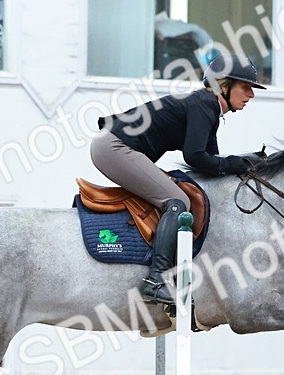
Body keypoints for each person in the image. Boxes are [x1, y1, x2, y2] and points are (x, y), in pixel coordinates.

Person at [90, 53, 265, 305]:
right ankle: (155, 281)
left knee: (179, 194)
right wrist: (238, 162)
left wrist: (241, 161)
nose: (252, 94)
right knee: (176, 200)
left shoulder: (207, 106)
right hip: (114, 147)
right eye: (246, 87)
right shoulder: (204, 104)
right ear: (224, 86)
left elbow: (210, 164)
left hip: (115, 145)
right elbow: (195, 157)